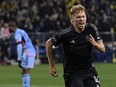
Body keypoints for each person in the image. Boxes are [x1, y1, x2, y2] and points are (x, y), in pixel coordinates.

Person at [46, 4, 105, 87]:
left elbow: (102, 49)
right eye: (78, 17)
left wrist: (95, 44)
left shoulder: (91, 29)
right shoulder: (65, 34)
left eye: (83, 16)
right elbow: (49, 43)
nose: (81, 19)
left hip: (89, 71)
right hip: (72, 73)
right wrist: (52, 66)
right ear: (72, 20)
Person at [8, 21, 36, 87]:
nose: (8, 29)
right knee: (24, 71)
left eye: (9, 27)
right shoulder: (21, 31)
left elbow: (19, 45)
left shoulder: (17, 33)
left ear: (13, 27)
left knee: (25, 71)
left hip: (27, 51)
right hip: (30, 51)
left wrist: (19, 59)